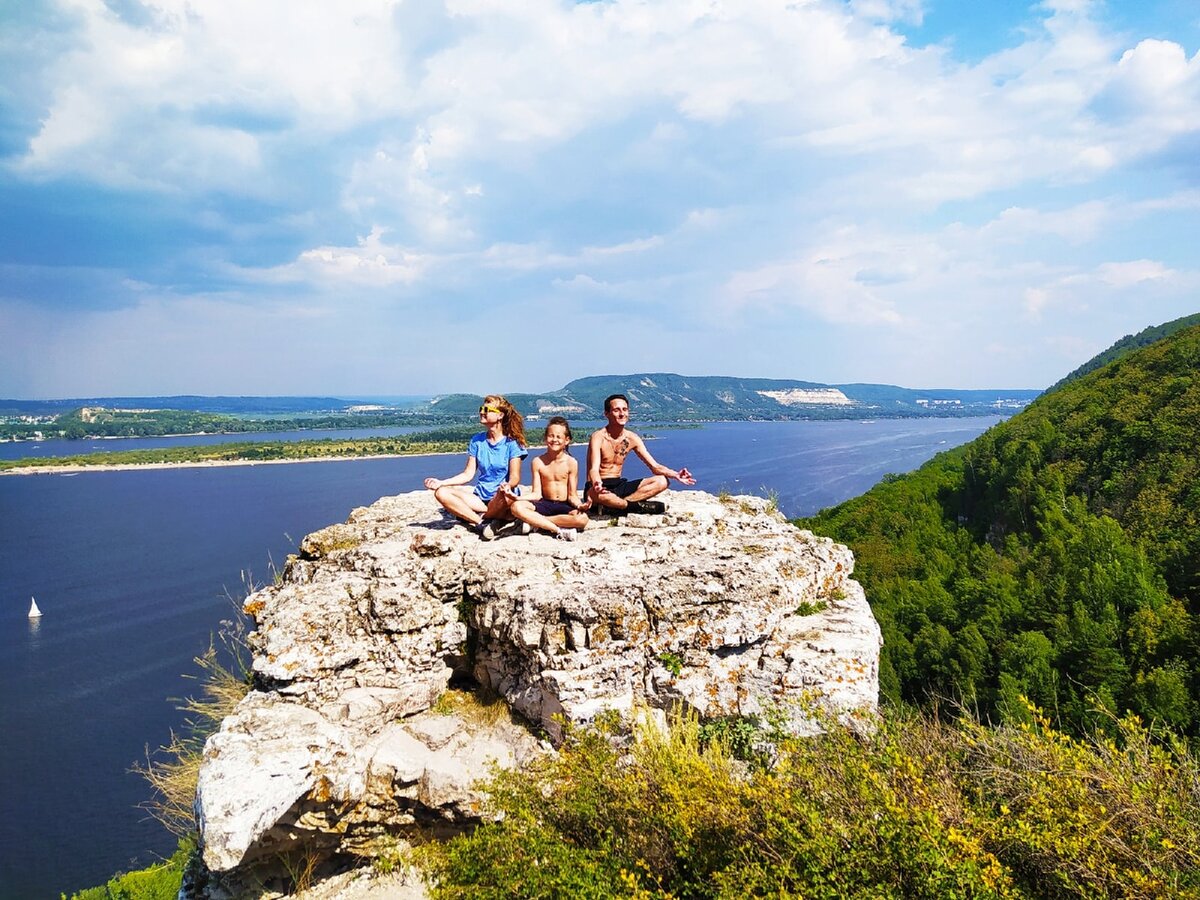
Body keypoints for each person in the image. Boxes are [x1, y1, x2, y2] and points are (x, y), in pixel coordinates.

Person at [424, 395, 527, 538]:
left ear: (500, 415)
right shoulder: (477, 441)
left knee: (507, 498)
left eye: (487, 409)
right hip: (481, 498)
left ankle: (472, 515)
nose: (482, 412)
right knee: (441, 493)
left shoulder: (512, 444)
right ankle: (481, 522)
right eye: (481, 408)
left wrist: (507, 486)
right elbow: (468, 474)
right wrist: (441, 483)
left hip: (502, 497)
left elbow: (515, 477)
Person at [585, 393, 695, 515]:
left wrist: (676, 475)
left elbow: (655, 467)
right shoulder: (598, 437)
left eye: (625, 409)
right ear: (607, 414)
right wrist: (596, 483)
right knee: (602, 496)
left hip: (619, 485)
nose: (622, 414)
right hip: (599, 486)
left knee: (662, 481)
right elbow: (593, 469)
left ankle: (616, 507)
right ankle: (633, 507)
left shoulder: (632, 438)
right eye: (616, 410)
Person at [507, 416, 590, 541]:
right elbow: (536, 493)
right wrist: (517, 498)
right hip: (544, 503)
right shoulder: (538, 462)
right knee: (516, 507)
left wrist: (580, 505)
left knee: (582, 519)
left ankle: (536, 523)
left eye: (558, 437)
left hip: (564, 505)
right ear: (545, 438)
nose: (554, 440)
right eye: (551, 436)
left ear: (567, 440)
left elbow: (572, 495)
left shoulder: (571, 462)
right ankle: (558, 529)